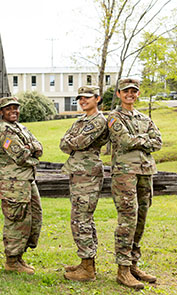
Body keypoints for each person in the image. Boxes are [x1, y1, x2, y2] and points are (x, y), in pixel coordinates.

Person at [108, 78, 162, 289]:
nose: (130, 94)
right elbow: (124, 141)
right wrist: (143, 140)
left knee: (141, 216)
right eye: (126, 91)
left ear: (137, 94)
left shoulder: (144, 118)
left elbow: (157, 141)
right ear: (119, 94)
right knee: (128, 218)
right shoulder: (113, 117)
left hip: (145, 172)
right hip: (125, 173)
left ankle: (133, 264)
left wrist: (137, 138)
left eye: (133, 91)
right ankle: (122, 270)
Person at [60, 85, 109, 281]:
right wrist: (71, 141)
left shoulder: (98, 121)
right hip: (78, 172)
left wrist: (72, 142)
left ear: (97, 98)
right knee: (80, 217)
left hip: (88, 173)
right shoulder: (82, 120)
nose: (82, 101)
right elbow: (63, 143)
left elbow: (77, 143)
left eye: (87, 97)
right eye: (80, 97)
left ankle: (88, 269)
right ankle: (86, 261)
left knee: (82, 218)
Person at [0, 96, 43, 274]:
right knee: (16, 219)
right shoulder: (3, 131)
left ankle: (19, 256)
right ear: (1, 112)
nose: (13, 111)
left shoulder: (21, 128)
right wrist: (31, 148)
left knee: (33, 217)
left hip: (27, 179)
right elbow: (20, 155)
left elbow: (40, 148)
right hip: (12, 182)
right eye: (8, 108)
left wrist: (30, 147)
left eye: (15, 108)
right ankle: (12, 260)